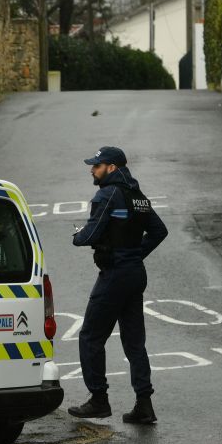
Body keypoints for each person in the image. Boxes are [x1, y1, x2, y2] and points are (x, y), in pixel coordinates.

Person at [67, 146, 168, 424]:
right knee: (135, 342)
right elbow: (160, 231)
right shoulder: (139, 197)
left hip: (115, 275)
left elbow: (91, 233)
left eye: (97, 166)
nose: (92, 169)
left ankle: (99, 400)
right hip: (136, 274)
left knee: (90, 337)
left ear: (111, 167)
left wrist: (77, 237)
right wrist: (136, 254)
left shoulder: (107, 194)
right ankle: (144, 404)